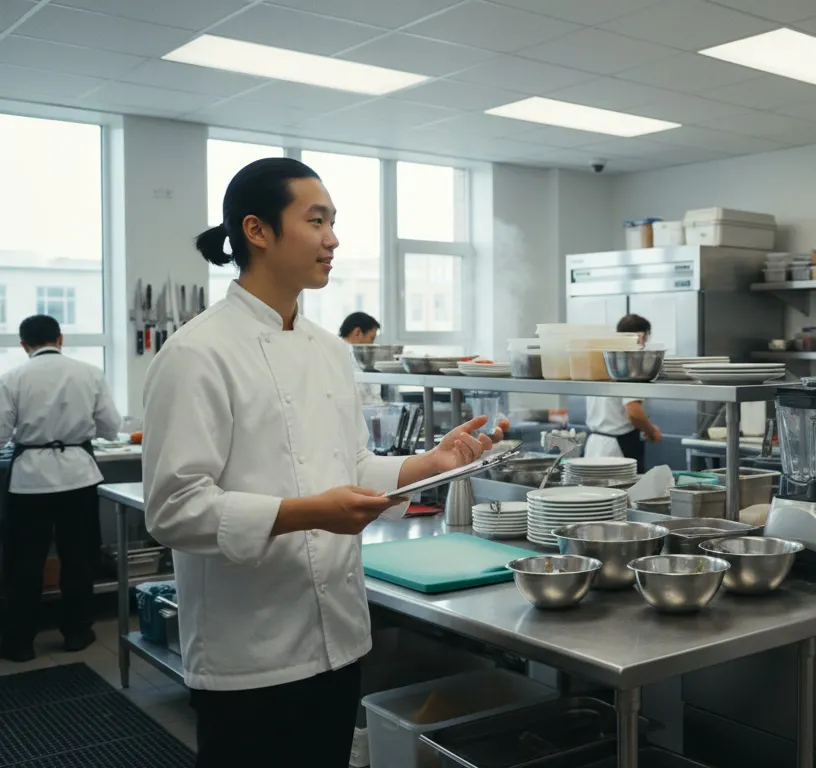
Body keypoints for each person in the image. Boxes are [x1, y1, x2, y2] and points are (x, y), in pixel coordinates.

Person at [142, 158, 506, 768]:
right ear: (257, 231)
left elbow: (352, 465)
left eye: (333, 222)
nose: (333, 239)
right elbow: (174, 511)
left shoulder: (332, 352)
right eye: (316, 221)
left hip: (339, 637)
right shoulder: (197, 353)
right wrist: (310, 512)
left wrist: (431, 462)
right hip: (249, 651)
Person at [0, 315, 122, 661]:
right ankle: (77, 632)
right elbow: (111, 427)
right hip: (78, 478)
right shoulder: (89, 373)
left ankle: (20, 642)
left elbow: (0, 433)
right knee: (79, 558)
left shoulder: (12, 378)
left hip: (29, 482)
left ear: (24, 345)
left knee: (24, 563)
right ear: (60, 338)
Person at [583, 314, 661, 473]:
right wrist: (651, 430)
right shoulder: (629, 364)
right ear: (641, 336)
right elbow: (633, 412)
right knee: (621, 495)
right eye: (646, 337)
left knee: (593, 494)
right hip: (617, 449)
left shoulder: (604, 360)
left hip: (594, 444)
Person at [339, 311, 383, 406]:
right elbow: (360, 394)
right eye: (372, 338)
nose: (372, 344)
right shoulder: (344, 354)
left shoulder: (347, 353)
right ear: (358, 332)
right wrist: (377, 403)